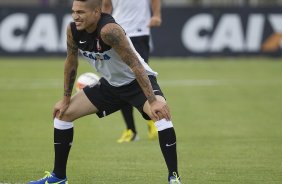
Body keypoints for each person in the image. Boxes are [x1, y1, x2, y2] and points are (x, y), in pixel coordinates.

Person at [28, 0, 181, 183]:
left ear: (96, 12)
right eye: (73, 11)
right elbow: (71, 62)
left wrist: (153, 100)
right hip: (110, 85)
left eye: (81, 12)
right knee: (63, 114)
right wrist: (65, 99)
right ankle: (59, 177)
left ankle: (174, 177)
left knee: (162, 116)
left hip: (136, 84)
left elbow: (135, 65)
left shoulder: (109, 30)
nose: (76, 16)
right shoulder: (73, 30)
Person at [102, 0, 162, 143]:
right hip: (116, 33)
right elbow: (106, 5)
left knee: (141, 77)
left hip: (139, 32)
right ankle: (131, 130)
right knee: (122, 79)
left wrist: (157, 15)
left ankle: (151, 119)